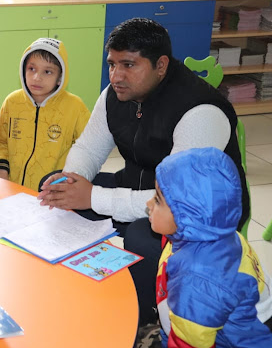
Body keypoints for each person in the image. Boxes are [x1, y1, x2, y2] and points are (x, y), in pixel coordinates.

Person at [37, 18, 249, 327]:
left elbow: (176, 202)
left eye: (129, 65)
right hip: (136, 186)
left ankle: (145, 322)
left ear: (160, 65)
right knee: (57, 188)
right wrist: (71, 182)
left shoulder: (201, 111)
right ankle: (73, 285)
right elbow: (89, 148)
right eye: (112, 64)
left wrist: (93, 197)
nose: (116, 76)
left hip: (194, 216)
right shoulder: (116, 93)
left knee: (142, 235)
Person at [148, 147, 272, 348]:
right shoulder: (217, 233)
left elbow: (189, 346)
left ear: (187, 216)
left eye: (158, 200)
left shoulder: (198, 282)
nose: (148, 204)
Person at [0, 38, 90, 189]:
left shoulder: (75, 107)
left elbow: (87, 151)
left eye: (47, 72)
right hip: (12, 189)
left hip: (53, 192)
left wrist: (69, 178)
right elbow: (2, 143)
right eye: (32, 69)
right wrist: (1, 169)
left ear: (60, 78)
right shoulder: (12, 102)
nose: (37, 77)